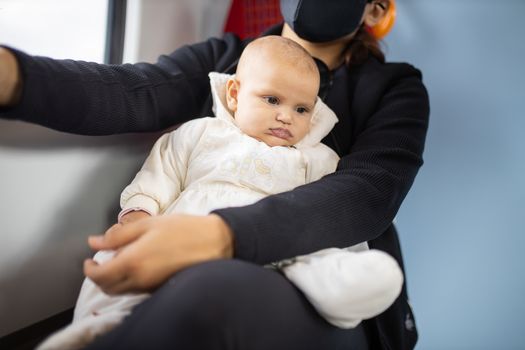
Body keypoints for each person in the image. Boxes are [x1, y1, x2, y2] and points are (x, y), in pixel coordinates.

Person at [0, 0, 430, 349]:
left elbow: (367, 194)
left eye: (300, 109)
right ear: (236, 93)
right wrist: (17, 78)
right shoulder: (228, 60)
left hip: (320, 277)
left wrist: (222, 237)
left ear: (374, 10)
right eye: (270, 99)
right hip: (202, 248)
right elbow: (131, 90)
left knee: (211, 294)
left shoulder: (396, 88)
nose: (286, 117)